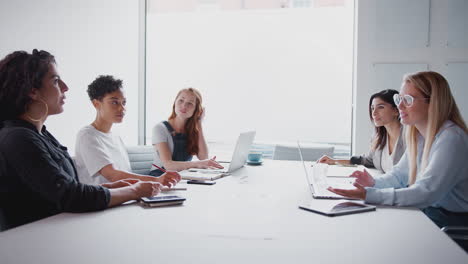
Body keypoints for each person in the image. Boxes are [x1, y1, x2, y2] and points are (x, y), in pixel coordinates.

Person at [0, 50, 162, 230]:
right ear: (32, 91)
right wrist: (134, 191)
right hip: (33, 242)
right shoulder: (18, 138)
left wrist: (112, 188)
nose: (65, 87)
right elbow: (70, 196)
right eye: (55, 81)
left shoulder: (41, 135)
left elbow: (67, 187)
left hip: (58, 230)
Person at [328, 71, 468, 228]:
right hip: (431, 211)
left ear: (433, 102)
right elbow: (399, 176)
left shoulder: (451, 138)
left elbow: (426, 192)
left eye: (407, 100)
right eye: (398, 99)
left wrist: (369, 194)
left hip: (453, 222)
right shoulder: (419, 136)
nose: (399, 105)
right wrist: (373, 183)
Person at [74, 75, 180, 186]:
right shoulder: (87, 135)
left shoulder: (115, 137)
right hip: (103, 200)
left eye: (123, 103)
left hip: (125, 196)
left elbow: (125, 175)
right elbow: (112, 175)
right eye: (114, 102)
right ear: (96, 104)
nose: (122, 109)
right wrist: (156, 180)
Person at [318, 89, 405, 173]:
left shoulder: (409, 137)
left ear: (396, 110)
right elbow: (367, 160)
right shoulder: (379, 136)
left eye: (380, 107)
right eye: (372, 108)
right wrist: (333, 161)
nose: (374, 113)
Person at [150, 88, 223, 176]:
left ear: (196, 110)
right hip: (160, 177)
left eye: (190, 103)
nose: (184, 106)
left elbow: (203, 157)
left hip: (183, 177)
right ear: (174, 103)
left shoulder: (192, 131)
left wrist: (198, 122)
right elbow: (168, 165)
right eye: (181, 100)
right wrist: (198, 164)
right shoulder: (160, 128)